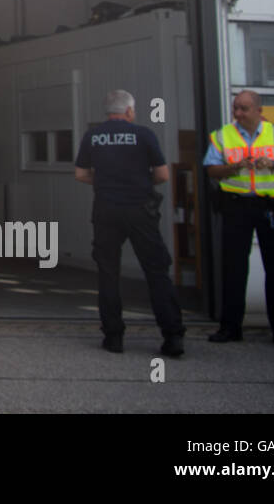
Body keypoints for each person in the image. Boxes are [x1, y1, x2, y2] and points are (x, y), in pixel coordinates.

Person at [74, 90, 185, 357]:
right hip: (140, 211)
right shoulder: (143, 135)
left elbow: (80, 174)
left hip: (106, 210)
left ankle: (114, 337)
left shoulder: (93, 136)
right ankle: (172, 337)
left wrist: (103, 183)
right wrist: (141, 183)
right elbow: (163, 175)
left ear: (108, 112)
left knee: (108, 272)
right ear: (130, 111)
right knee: (156, 271)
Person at [203, 90, 274, 350]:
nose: (237, 113)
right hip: (236, 206)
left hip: (271, 207)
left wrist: (271, 164)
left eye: (244, 109)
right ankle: (230, 327)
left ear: (259, 110)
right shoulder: (222, 135)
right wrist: (236, 166)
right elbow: (212, 170)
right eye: (236, 108)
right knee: (234, 268)